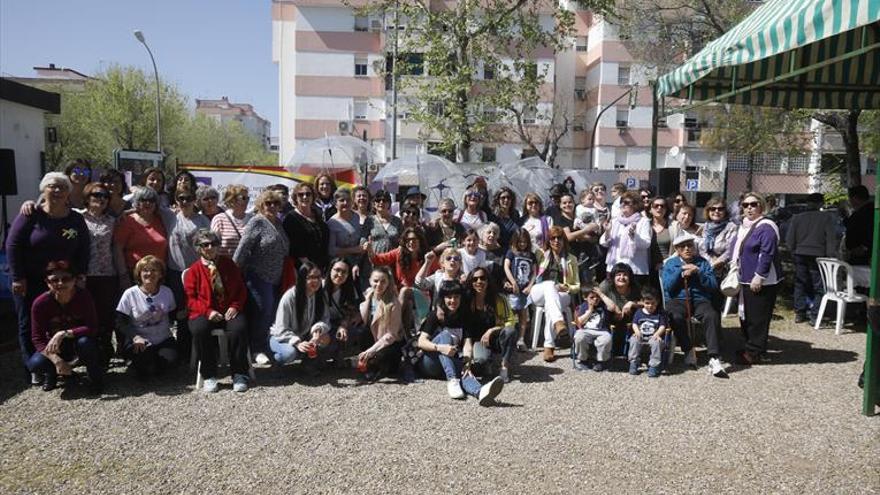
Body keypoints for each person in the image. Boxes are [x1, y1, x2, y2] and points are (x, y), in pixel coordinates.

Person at [6, 172, 90, 377]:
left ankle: (63, 361)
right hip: (31, 280)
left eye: (62, 187)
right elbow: (12, 245)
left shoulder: (75, 219)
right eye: (53, 186)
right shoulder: (30, 214)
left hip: (64, 281)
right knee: (28, 323)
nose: (58, 190)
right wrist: (18, 277)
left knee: (62, 321)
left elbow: (84, 248)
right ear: (43, 190)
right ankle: (35, 367)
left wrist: (80, 274)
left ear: (68, 194)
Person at [416, 280, 505, 406]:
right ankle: (452, 379)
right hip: (430, 362)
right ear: (443, 298)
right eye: (449, 297)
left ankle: (480, 392)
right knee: (446, 335)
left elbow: (468, 343)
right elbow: (421, 341)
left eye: (456, 297)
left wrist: (467, 362)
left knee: (465, 371)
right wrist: (440, 348)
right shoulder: (435, 315)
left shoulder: (465, 317)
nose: (453, 301)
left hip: (449, 362)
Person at [184, 229, 250, 393]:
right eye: (205, 244)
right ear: (198, 248)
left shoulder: (229, 264)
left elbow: (241, 290)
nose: (210, 247)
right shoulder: (193, 270)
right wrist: (208, 312)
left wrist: (235, 306)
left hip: (228, 310)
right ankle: (209, 375)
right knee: (200, 329)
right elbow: (191, 299)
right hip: (205, 312)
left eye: (214, 243)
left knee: (239, 328)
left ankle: (240, 373)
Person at [27, 260, 103, 393]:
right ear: (47, 282)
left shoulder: (83, 296)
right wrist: (56, 361)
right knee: (35, 364)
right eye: (54, 280)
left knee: (86, 343)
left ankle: (95, 378)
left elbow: (93, 327)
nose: (60, 283)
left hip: (79, 342)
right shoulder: (40, 303)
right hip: (55, 346)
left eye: (66, 279)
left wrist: (63, 333)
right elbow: (37, 338)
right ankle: (54, 373)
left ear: (74, 280)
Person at [234, 189, 290, 366]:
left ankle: (264, 344)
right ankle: (255, 348)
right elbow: (242, 249)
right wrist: (234, 273)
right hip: (258, 276)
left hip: (276, 277)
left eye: (275, 203)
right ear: (260, 205)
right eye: (268, 203)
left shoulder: (278, 223)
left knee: (270, 314)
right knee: (261, 313)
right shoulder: (256, 222)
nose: (272, 206)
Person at [661, 233, 727, 377]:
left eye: (689, 245)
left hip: (700, 299)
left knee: (712, 314)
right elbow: (668, 287)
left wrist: (698, 272)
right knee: (675, 316)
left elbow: (713, 286)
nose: (687, 249)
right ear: (677, 249)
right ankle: (688, 349)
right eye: (682, 246)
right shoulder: (671, 264)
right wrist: (681, 271)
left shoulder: (702, 262)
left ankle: (713, 357)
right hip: (678, 300)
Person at [731, 192, 781, 365]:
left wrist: (759, 276)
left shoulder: (766, 226)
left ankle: (755, 351)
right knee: (746, 315)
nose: (749, 208)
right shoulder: (744, 226)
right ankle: (750, 346)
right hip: (744, 278)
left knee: (758, 318)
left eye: (753, 204)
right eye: (745, 205)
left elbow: (767, 253)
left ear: (761, 206)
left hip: (761, 281)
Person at [160, 186, 210, 360]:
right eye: (181, 198)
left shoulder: (203, 220)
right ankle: (183, 350)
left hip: (197, 272)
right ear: (176, 201)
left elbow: (208, 245)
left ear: (194, 200)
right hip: (175, 272)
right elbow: (146, 205)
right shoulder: (170, 217)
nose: (185, 202)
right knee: (180, 311)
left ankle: (201, 349)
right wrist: (123, 213)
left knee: (197, 309)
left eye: (188, 198)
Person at [116, 256, 178, 380]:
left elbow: (173, 315)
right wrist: (135, 337)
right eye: (145, 270)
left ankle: (153, 363)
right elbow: (120, 322)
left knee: (168, 362)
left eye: (154, 270)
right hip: (140, 340)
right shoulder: (130, 294)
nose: (149, 273)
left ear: (161, 274)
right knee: (144, 372)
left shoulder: (167, 292)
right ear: (139, 274)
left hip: (163, 339)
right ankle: (140, 363)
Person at [78, 182, 120, 360]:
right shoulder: (77, 217)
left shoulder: (112, 221)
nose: (101, 199)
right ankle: (87, 350)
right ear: (87, 197)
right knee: (86, 314)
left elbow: (116, 247)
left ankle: (104, 349)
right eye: (96, 195)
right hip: (84, 275)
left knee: (106, 314)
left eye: (105, 196)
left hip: (107, 274)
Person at [269, 261, 333, 368]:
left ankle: (308, 363)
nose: (316, 281)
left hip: (305, 335)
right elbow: (281, 329)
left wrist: (318, 330)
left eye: (318, 277)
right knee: (290, 354)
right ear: (303, 279)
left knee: (325, 338)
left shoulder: (321, 295)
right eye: (311, 277)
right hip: (281, 337)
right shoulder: (290, 297)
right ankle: (275, 360)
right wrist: (297, 343)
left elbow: (325, 319)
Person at [786, 193, 838, 324]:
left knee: (800, 283)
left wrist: (792, 250)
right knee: (819, 286)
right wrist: (831, 255)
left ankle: (800, 312)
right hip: (818, 255)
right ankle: (815, 314)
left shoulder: (797, 218)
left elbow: (790, 239)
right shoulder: (826, 217)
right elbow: (831, 239)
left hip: (800, 252)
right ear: (821, 203)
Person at [532, 225, 580, 362]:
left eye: (559, 238)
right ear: (548, 240)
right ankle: (559, 322)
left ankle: (549, 346)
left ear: (564, 240)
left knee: (551, 304)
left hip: (561, 294)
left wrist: (567, 288)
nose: (556, 241)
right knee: (549, 285)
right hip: (539, 290)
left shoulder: (571, 259)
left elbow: (577, 285)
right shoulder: (540, 254)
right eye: (553, 238)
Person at [465, 266, 518, 383]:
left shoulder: (499, 299)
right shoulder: (467, 300)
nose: (479, 282)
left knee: (511, 331)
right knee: (479, 366)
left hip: (495, 338)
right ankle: (487, 360)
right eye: (475, 279)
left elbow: (510, 322)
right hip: (476, 341)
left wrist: (491, 330)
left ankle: (504, 367)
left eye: (482, 278)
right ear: (471, 282)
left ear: (488, 280)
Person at [114, 186, 168, 287]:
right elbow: (117, 249)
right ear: (137, 202)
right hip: (134, 275)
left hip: (158, 276)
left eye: (151, 200)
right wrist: (123, 275)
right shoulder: (128, 221)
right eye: (143, 200)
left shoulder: (162, 219)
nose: (147, 203)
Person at [357, 267, 405, 380]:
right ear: (369, 281)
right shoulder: (367, 296)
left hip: (389, 343)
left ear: (388, 283)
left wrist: (371, 350)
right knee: (362, 332)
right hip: (373, 338)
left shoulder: (393, 303)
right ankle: (370, 363)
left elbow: (392, 335)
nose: (379, 284)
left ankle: (379, 364)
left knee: (386, 363)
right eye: (375, 281)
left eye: (383, 281)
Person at [600, 191, 652, 284]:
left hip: (635, 269)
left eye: (627, 202)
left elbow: (646, 244)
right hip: (614, 269)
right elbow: (603, 243)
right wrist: (607, 231)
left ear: (636, 205)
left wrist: (634, 236)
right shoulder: (615, 221)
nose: (623, 204)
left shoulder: (643, 221)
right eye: (622, 202)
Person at [503, 228, 537, 351]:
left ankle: (521, 339)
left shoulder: (531, 255)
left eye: (525, 242)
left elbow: (534, 272)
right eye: (520, 242)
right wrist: (512, 282)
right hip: (513, 290)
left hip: (525, 290)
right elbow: (506, 267)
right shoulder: (511, 252)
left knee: (524, 315)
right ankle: (509, 339)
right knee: (510, 315)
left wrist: (530, 285)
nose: (522, 244)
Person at [284, 182, 330, 270]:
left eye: (308, 194)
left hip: (322, 267)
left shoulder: (317, 215)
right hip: (302, 269)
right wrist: (312, 268)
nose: (305, 197)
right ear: (295, 198)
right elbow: (295, 248)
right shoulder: (291, 218)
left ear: (313, 197)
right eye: (301, 195)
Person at [325, 258, 363, 363]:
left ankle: (339, 353)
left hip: (338, 321)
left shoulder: (349, 288)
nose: (340, 274)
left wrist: (344, 325)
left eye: (344, 272)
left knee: (354, 330)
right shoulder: (321, 287)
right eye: (337, 270)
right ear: (330, 270)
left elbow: (350, 311)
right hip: (322, 323)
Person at [327, 188, 365, 283]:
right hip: (340, 267)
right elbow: (331, 250)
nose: (345, 203)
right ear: (335, 204)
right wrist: (354, 249)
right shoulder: (332, 223)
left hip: (358, 264)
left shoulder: (356, 217)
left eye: (348, 200)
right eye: (341, 200)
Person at [629, 287, 668, 378]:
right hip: (641, 336)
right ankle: (634, 362)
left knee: (656, 343)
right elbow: (634, 323)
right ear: (642, 302)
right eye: (647, 303)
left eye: (653, 303)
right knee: (634, 340)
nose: (650, 306)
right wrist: (637, 331)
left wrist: (657, 334)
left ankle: (654, 365)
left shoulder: (659, 314)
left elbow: (663, 326)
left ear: (657, 302)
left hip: (653, 337)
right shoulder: (639, 312)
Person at [572, 289, 613, 372]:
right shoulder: (582, 306)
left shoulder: (603, 306)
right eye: (592, 297)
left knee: (606, 339)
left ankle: (602, 361)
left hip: (602, 330)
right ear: (585, 298)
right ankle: (583, 360)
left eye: (597, 297)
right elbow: (579, 322)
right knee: (579, 337)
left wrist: (602, 295)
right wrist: (590, 310)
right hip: (585, 329)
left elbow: (612, 307)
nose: (595, 299)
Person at [210, 184, 252, 258]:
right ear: (232, 200)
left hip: (248, 267)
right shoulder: (219, 219)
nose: (246, 201)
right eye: (243, 198)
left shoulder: (253, 219)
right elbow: (212, 245)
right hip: (226, 266)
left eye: (247, 198)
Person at [700, 197, 738, 275]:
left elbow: (731, 250)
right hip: (707, 266)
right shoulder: (706, 226)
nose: (716, 211)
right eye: (713, 209)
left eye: (720, 209)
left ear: (725, 211)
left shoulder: (731, 227)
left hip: (724, 268)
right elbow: (702, 249)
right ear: (708, 211)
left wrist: (718, 262)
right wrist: (711, 262)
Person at [360, 189, 402, 257]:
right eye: (378, 200)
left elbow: (402, 240)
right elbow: (363, 240)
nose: (381, 202)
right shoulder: (369, 220)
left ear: (389, 203)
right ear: (374, 204)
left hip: (392, 261)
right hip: (373, 261)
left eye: (384, 200)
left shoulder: (397, 221)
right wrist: (366, 244)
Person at [843, 185, 874, 266]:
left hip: (863, 257)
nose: (849, 201)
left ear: (855, 198)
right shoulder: (865, 211)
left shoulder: (866, 212)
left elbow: (870, 231)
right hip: (861, 254)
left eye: (850, 198)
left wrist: (865, 247)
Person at [487, 187, 520, 253]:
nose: (506, 200)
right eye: (503, 198)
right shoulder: (493, 216)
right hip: (496, 252)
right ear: (498, 200)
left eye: (508, 197)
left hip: (511, 251)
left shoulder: (515, 214)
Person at [647, 196, 672, 276]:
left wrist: (664, 263)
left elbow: (678, 249)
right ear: (650, 209)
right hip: (648, 269)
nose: (659, 208)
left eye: (662, 206)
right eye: (656, 205)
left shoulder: (673, 225)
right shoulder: (645, 225)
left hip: (668, 268)